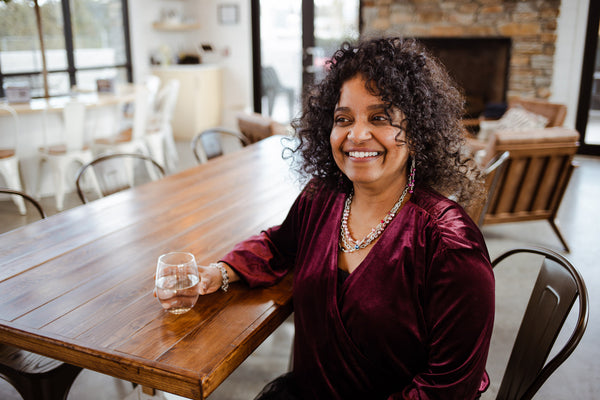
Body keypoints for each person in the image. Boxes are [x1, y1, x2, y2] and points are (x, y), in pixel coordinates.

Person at [196, 37, 495, 399]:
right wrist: (220, 272)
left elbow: (449, 387)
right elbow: (279, 244)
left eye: (379, 117)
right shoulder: (322, 197)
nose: (356, 135)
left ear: (416, 132)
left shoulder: (448, 242)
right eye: (343, 119)